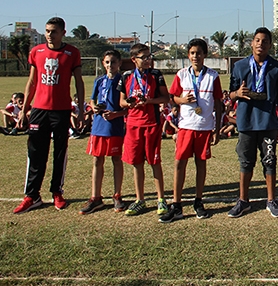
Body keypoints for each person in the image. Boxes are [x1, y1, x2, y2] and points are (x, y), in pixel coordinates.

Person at [13, 17, 85, 214]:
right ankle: (31, 195)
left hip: (61, 111)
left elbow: (79, 82)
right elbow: (31, 82)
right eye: (47, 31)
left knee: (59, 153)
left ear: (63, 32)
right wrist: (24, 110)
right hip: (39, 110)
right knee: (36, 153)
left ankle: (57, 192)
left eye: (53, 31)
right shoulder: (37, 52)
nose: (49, 35)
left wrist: (80, 111)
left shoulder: (72, 53)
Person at [160, 38, 223, 223]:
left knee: (201, 164)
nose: (196, 56)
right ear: (189, 55)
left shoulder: (213, 76)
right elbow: (172, 98)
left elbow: (218, 104)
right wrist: (182, 100)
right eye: (192, 53)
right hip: (186, 126)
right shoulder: (181, 75)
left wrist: (217, 129)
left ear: (205, 55)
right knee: (180, 163)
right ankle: (177, 204)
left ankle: (198, 201)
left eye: (199, 53)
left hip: (204, 127)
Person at [228, 28, 278, 218]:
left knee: (269, 162)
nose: (261, 44)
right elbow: (230, 94)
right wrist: (237, 94)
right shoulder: (240, 66)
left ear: (270, 45)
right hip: (246, 123)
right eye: (257, 40)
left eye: (265, 41)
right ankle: (243, 201)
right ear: (252, 43)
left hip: (268, 123)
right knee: (246, 162)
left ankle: (271, 200)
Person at [118, 43, 170, 216]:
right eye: (144, 57)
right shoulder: (126, 76)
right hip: (133, 124)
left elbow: (165, 97)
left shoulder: (156, 75)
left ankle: (161, 199)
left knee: (154, 162)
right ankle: (140, 199)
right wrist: (130, 103)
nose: (148, 60)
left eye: (149, 57)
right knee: (136, 163)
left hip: (151, 123)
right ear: (134, 60)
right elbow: (122, 102)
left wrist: (149, 101)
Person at [80, 50, 127, 214]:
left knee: (116, 159)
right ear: (103, 63)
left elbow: (128, 107)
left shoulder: (123, 80)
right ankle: (96, 197)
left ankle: (117, 195)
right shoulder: (99, 80)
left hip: (115, 126)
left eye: (113, 62)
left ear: (119, 63)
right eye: (107, 62)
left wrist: (116, 114)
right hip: (98, 126)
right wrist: (94, 107)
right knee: (97, 160)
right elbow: (93, 99)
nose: (110, 65)